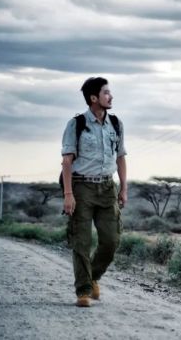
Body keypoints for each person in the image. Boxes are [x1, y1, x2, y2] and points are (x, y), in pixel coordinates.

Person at [61, 77, 127, 307]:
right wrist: (68, 194)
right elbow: (67, 161)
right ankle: (83, 291)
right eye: (106, 93)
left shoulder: (116, 124)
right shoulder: (77, 124)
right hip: (81, 187)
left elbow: (120, 158)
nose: (111, 96)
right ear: (93, 98)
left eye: (110, 92)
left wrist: (124, 188)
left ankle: (93, 277)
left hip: (108, 187)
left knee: (111, 240)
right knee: (82, 240)